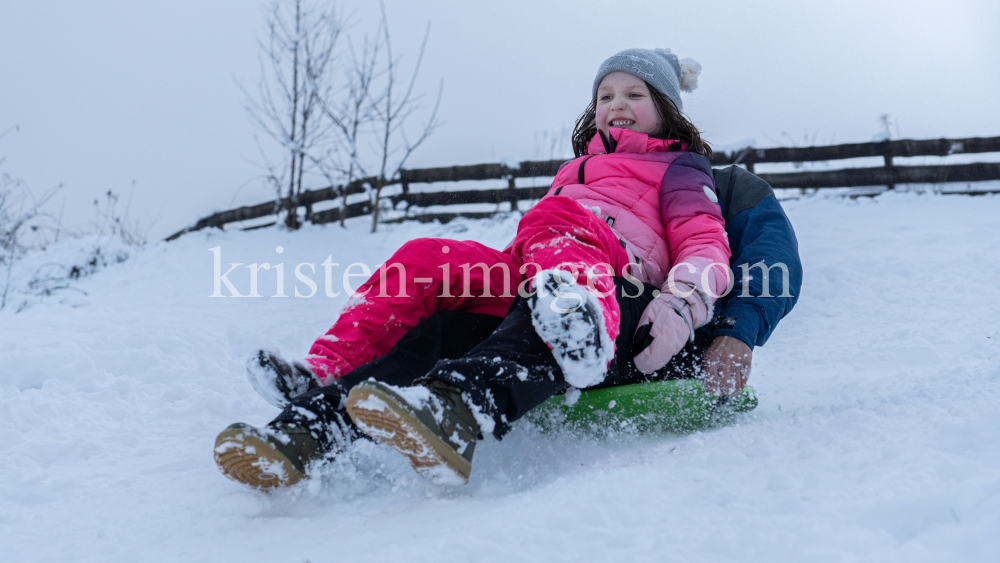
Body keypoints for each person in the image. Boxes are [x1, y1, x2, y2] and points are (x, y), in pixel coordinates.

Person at [213, 48, 802, 489]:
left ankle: (462, 404)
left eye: (636, 95)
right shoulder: (577, 174)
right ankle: (311, 424)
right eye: (606, 97)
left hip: (636, 315)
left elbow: (727, 255)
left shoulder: (698, 177)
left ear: (670, 111)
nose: (617, 106)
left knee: (554, 249)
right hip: (550, 280)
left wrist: (719, 327)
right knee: (432, 283)